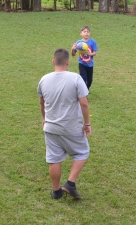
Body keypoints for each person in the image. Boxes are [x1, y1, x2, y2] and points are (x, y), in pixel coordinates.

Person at [38, 48, 92, 200]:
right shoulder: (75, 78)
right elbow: (84, 104)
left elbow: (41, 103)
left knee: (54, 158)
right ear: (68, 62)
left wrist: (44, 118)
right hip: (71, 127)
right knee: (82, 152)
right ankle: (70, 183)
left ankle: (56, 192)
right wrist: (87, 123)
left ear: (53, 62)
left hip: (50, 127)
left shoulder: (44, 79)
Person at [71, 26, 98, 91]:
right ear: (81, 33)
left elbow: (94, 53)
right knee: (83, 78)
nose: (86, 33)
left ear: (89, 33)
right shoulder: (78, 43)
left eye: (88, 32)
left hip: (90, 64)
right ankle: (83, 92)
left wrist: (89, 54)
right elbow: (73, 54)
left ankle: (86, 89)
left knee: (89, 80)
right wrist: (72, 49)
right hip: (82, 63)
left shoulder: (92, 42)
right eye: (84, 32)